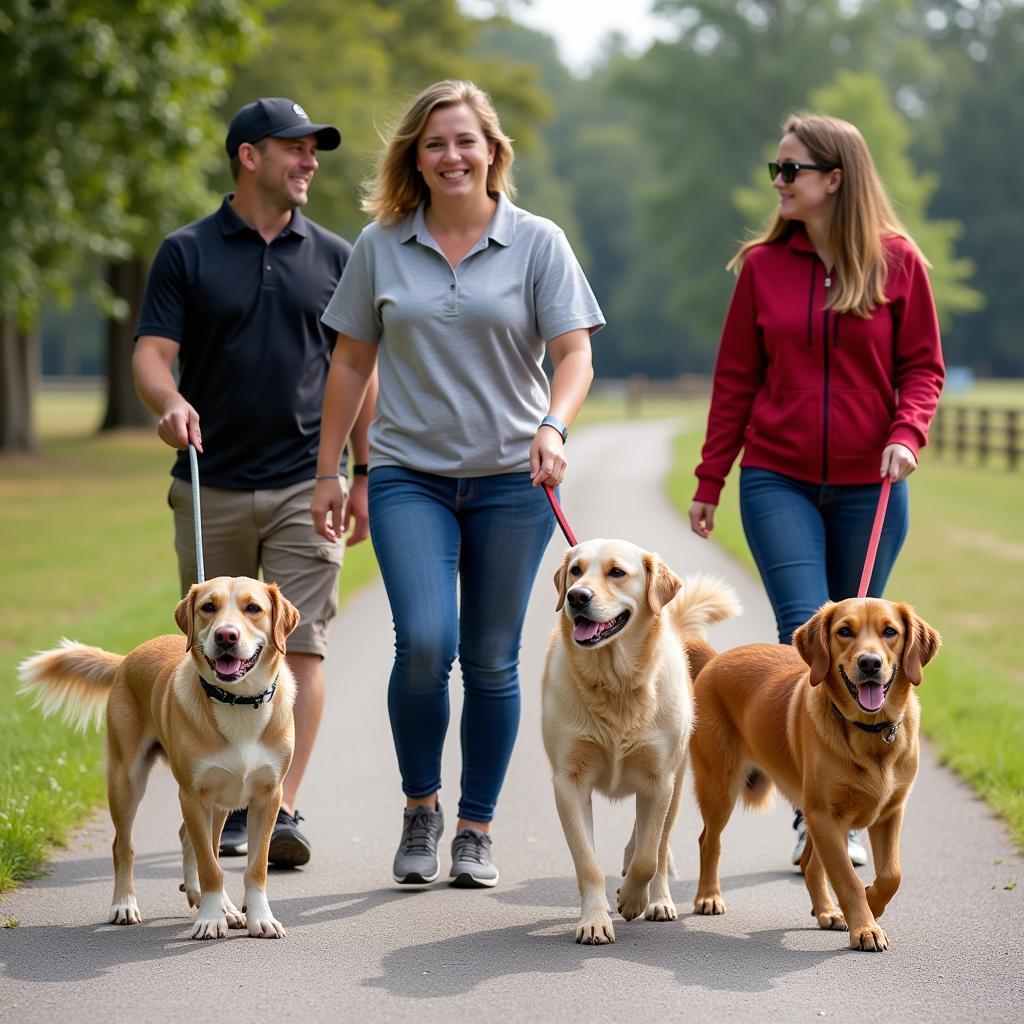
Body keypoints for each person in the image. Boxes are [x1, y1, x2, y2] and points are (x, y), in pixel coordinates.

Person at [310, 79, 603, 889]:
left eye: (466, 140)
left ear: (492, 151)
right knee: (426, 644)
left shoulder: (538, 242)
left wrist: (555, 426)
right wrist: (332, 468)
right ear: (417, 156)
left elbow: (574, 353)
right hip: (411, 477)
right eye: (435, 143)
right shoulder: (380, 245)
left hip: (514, 479)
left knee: (492, 660)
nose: (451, 156)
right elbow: (350, 362)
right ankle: (420, 808)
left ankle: (475, 828)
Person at [687, 113, 944, 869]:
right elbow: (736, 379)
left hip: (875, 480)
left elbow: (922, 369)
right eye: (778, 168)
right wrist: (711, 479)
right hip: (778, 477)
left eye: (790, 168)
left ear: (836, 178)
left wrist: (907, 433)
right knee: (809, 631)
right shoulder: (764, 268)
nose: (778, 180)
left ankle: (840, 798)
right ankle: (818, 807)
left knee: (863, 635)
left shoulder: (899, 264)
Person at [133, 97, 376, 868]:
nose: (310, 162)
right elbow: (150, 353)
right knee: (217, 643)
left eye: (314, 151)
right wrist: (167, 400)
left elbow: (360, 370)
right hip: (213, 484)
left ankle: (280, 804)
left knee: (300, 640)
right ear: (249, 155)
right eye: (295, 149)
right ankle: (215, 794)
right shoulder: (187, 250)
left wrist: (360, 471)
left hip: (310, 483)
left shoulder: (336, 255)